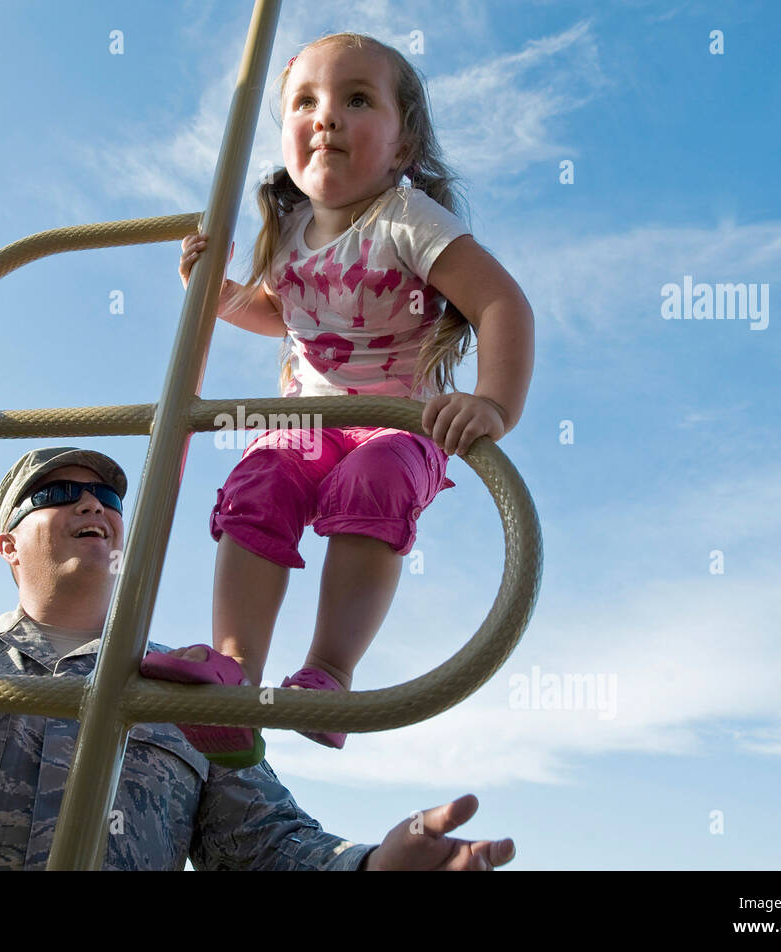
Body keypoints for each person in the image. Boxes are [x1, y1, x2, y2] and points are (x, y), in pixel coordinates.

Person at [0, 366, 517, 871]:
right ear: (8, 543)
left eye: (109, 494)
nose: (92, 504)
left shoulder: (182, 693)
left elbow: (270, 852)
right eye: (56, 492)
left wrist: (374, 865)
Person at [140, 32, 536, 767]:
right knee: (259, 478)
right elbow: (278, 312)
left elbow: (502, 303)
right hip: (309, 420)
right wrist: (222, 296)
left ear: (401, 143)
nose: (325, 117)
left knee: (374, 481)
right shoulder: (286, 232)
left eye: (356, 99)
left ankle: (329, 671)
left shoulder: (405, 218)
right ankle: (234, 669)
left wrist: (493, 405)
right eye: (305, 101)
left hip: (396, 425)